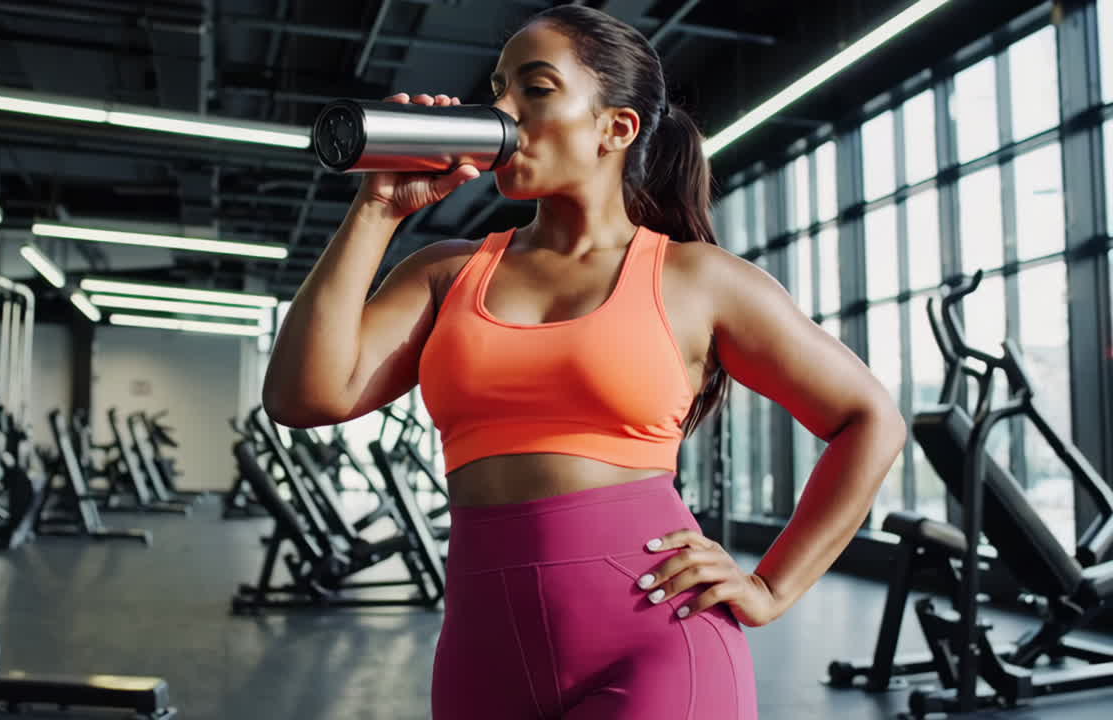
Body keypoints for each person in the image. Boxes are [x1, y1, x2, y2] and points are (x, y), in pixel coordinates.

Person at [263, 5, 906, 719]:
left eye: (534, 89)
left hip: (657, 638)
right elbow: (305, 397)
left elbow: (868, 418)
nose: (501, 109)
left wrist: (773, 586)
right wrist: (379, 208)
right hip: (482, 649)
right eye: (498, 87)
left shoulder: (699, 279)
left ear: (615, 127)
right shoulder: (445, 274)